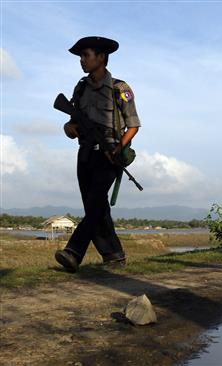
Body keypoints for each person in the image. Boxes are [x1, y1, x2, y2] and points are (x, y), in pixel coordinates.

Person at [54, 36, 141, 273]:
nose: (82, 61)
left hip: (109, 154)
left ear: (101, 57)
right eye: (81, 56)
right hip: (85, 154)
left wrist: (118, 147)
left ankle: (73, 252)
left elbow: (133, 125)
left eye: (86, 55)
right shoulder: (80, 88)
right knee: (96, 206)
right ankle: (114, 255)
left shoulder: (120, 89)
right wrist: (69, 129)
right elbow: (70, 126)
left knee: (94, 204)